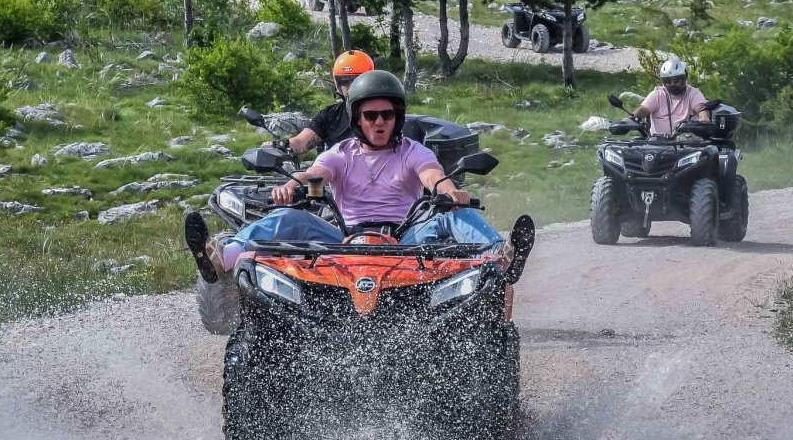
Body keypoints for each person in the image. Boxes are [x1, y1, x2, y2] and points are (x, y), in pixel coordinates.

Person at [184, 70, 532, 279]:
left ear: (397, 117)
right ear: (357, 119)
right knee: (287, 218)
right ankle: (222, 257)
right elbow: (317, 172)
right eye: (371, 116)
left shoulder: (414, 151)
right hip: (343, 240)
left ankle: (500, 257)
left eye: (387, 115)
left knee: (456, 215)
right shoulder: (342, 153)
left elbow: (431, 173)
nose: (379, 122)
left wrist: (446, 188)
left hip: (406, 242)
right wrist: (292, 184)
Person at [282, 50, 371, 157]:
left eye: (357, 80)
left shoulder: (384, 112)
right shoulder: (329, 115)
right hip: (335, 171)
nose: (350, 86)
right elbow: (301, 142)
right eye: (344, 80)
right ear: (337, 82)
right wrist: (278, 147)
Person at [633, 57, 713, 136]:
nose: (672, 84)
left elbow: (701, 108)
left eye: (676, 80)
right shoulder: (657, 95)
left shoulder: (693, 93)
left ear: (684, 78)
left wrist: (704, 117)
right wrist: (630, 119)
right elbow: (643, 109)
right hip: (658, 145)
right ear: (662, 81)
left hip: (687, 145)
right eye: (668, 81)